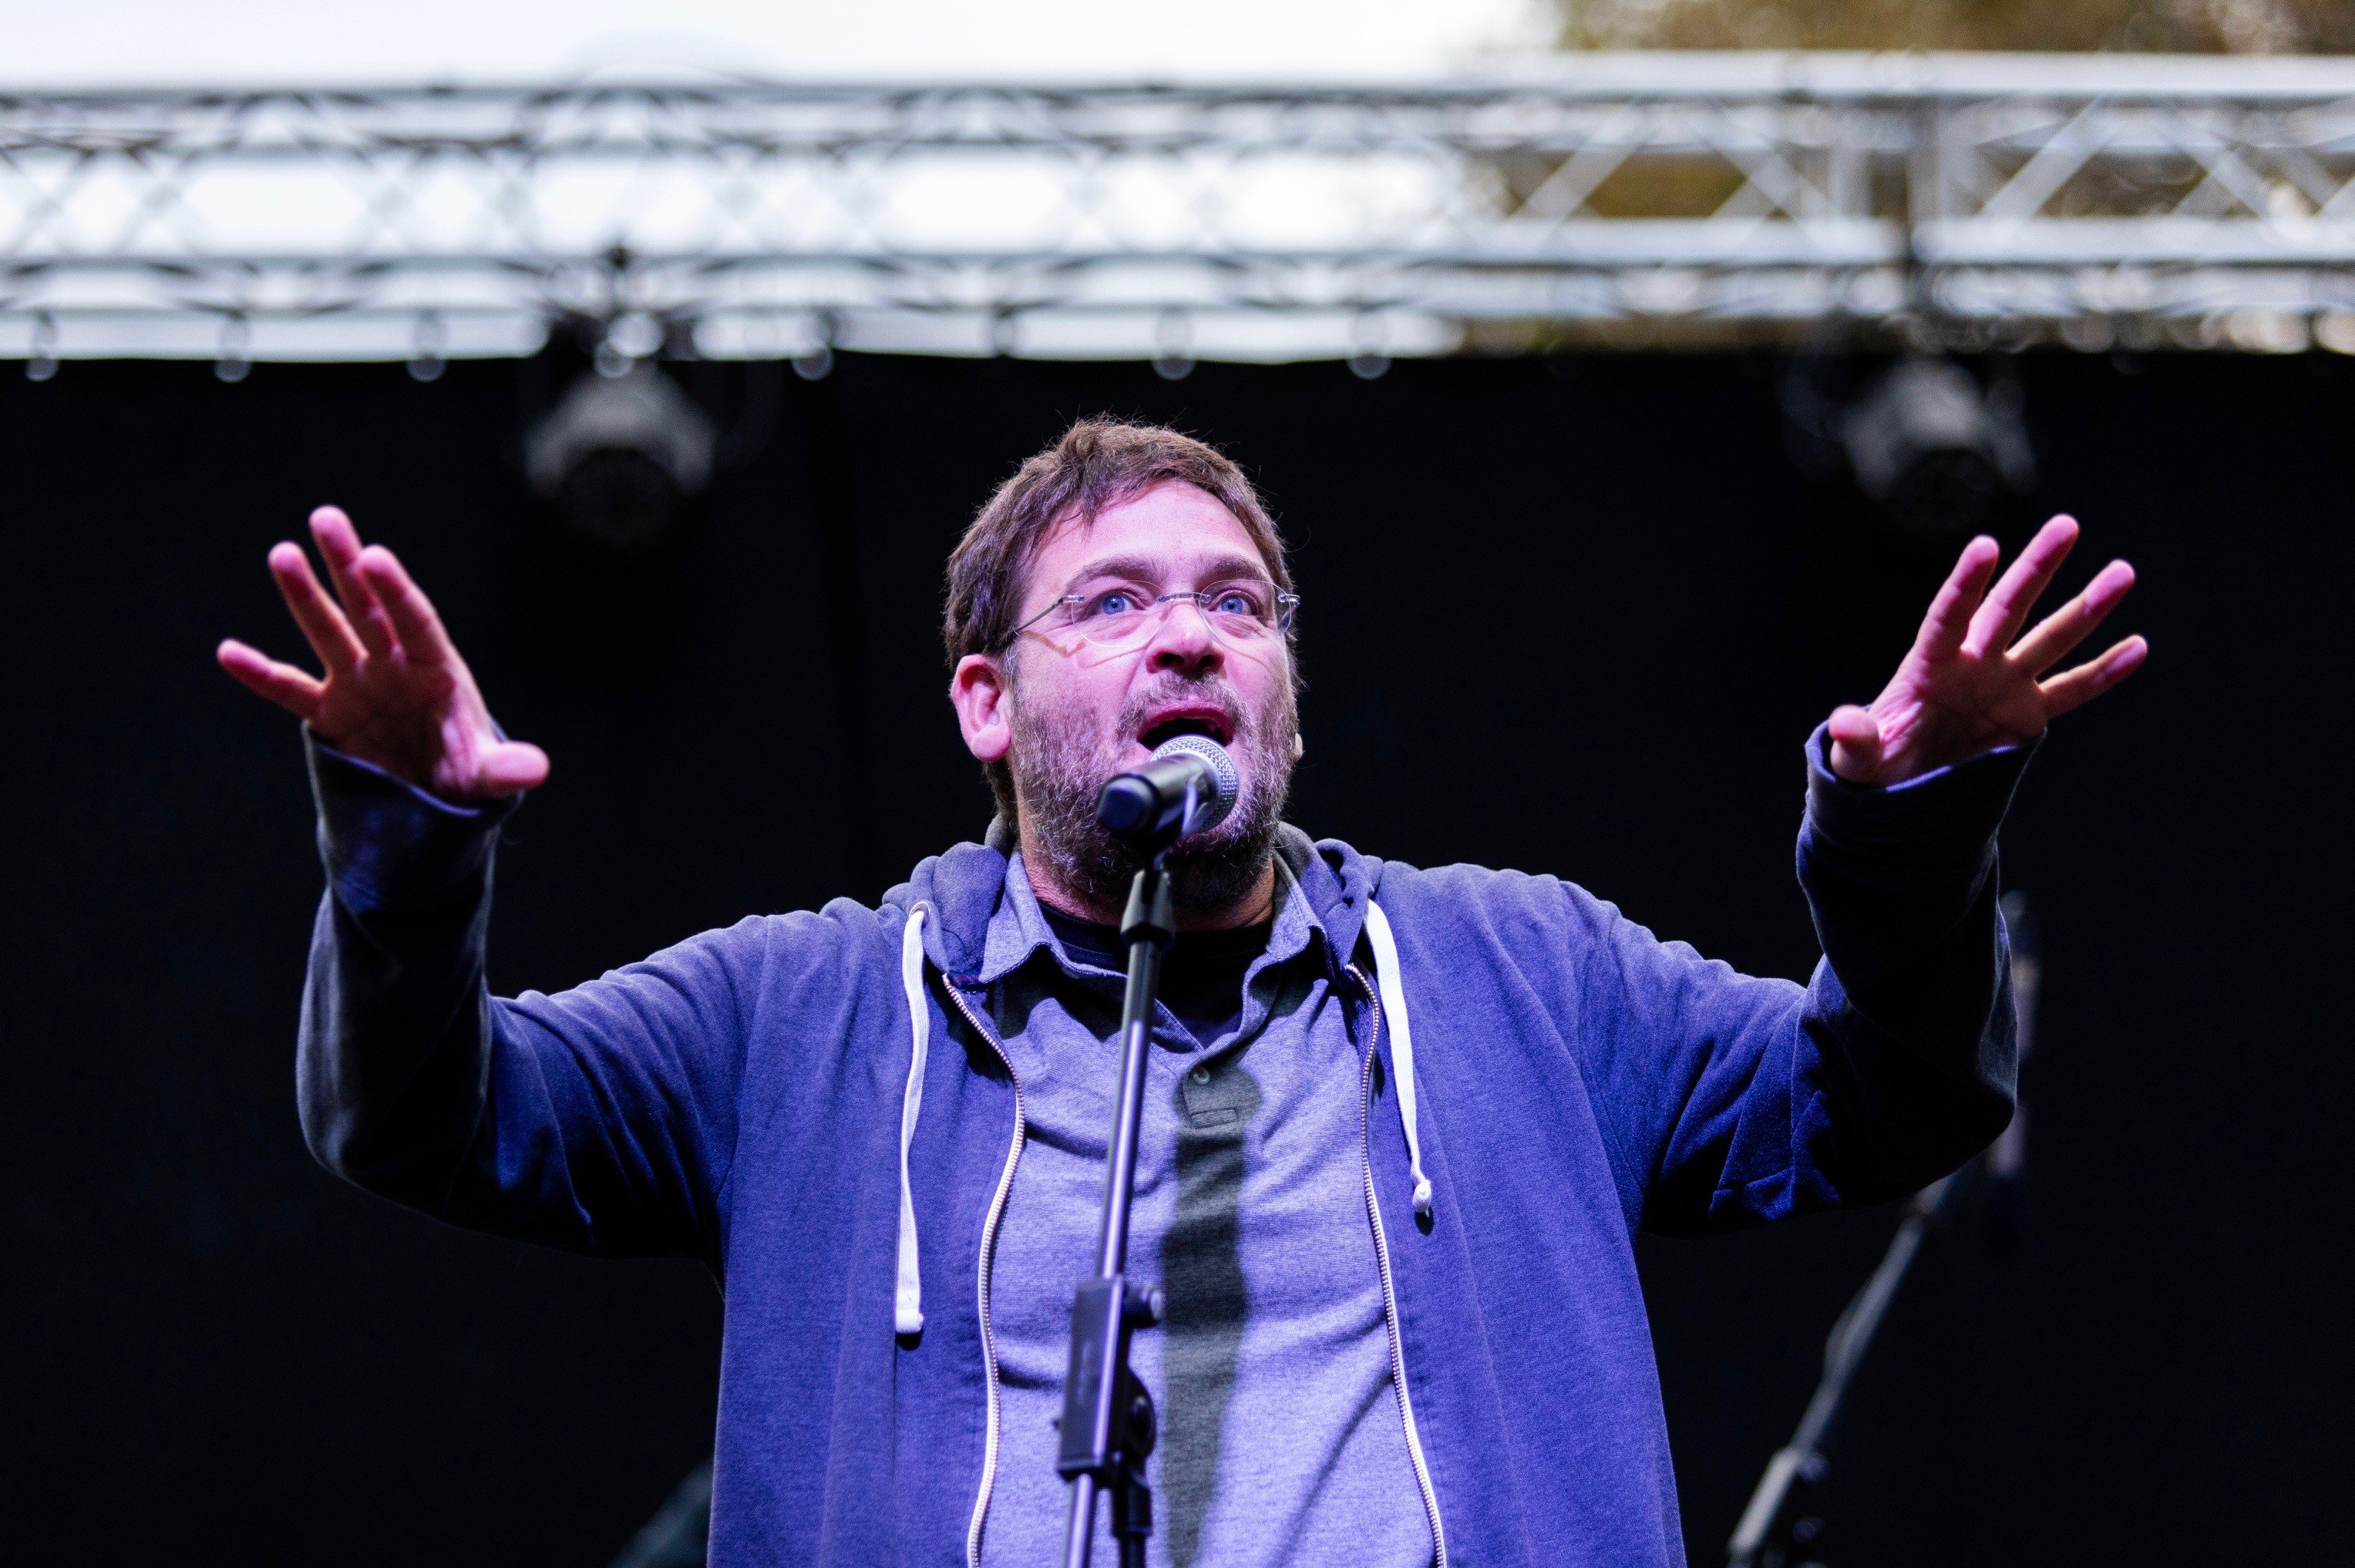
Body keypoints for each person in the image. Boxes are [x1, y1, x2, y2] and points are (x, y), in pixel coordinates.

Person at [217, 418, 2145, 1568]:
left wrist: (1910, 831)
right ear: (987, 698)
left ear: (1289, 694)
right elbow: (427, 1113)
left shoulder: (1514, 968)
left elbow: (1884, 1096)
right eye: (1119, 601)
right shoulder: (807, 1011)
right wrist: (400, 841)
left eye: (1237, 603)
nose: (1192, 637)